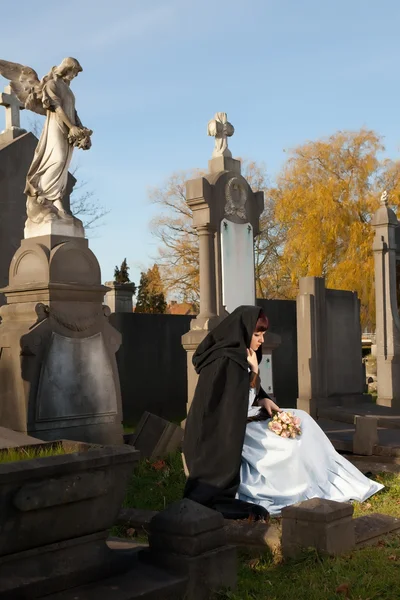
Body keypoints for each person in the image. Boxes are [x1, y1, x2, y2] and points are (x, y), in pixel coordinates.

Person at [183, 305, 383, 519]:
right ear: (242, 331)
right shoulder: (224, 360)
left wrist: (264, 398)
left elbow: (246, 393)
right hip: (230, 431)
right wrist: (255, 372)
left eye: (263, 334)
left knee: (303, 420)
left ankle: (327, 479)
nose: (261, 340)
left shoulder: (241, 353)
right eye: (257, 334)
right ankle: (299, 487)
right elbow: (227, 409)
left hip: (247, 416)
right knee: (289, 446)